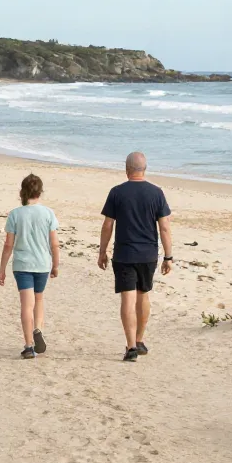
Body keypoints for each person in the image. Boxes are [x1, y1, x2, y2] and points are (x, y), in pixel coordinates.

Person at [98, 152, 173, 362]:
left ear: (126, 169)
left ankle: (131, 345)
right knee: (143, 295)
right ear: (145, 169)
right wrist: (169, 256)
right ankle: (139, 340)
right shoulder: (156, 193)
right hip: (148, 254)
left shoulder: (117, 192)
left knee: (127, 298)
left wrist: (102, 251)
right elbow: (164, 227)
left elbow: (107, 225)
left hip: (124, 254)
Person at [0, 174, 60, 359]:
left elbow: (8, 245)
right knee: (38, 299)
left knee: (26, 304)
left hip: (23, 264)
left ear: (22, 192)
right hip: (42, 264)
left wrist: (2, 269)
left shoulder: (16, 214)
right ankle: (38, 329)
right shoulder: (48, 213)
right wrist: (56, 265)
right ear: (40, 192)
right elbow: (54, 243)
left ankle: (28, 345)